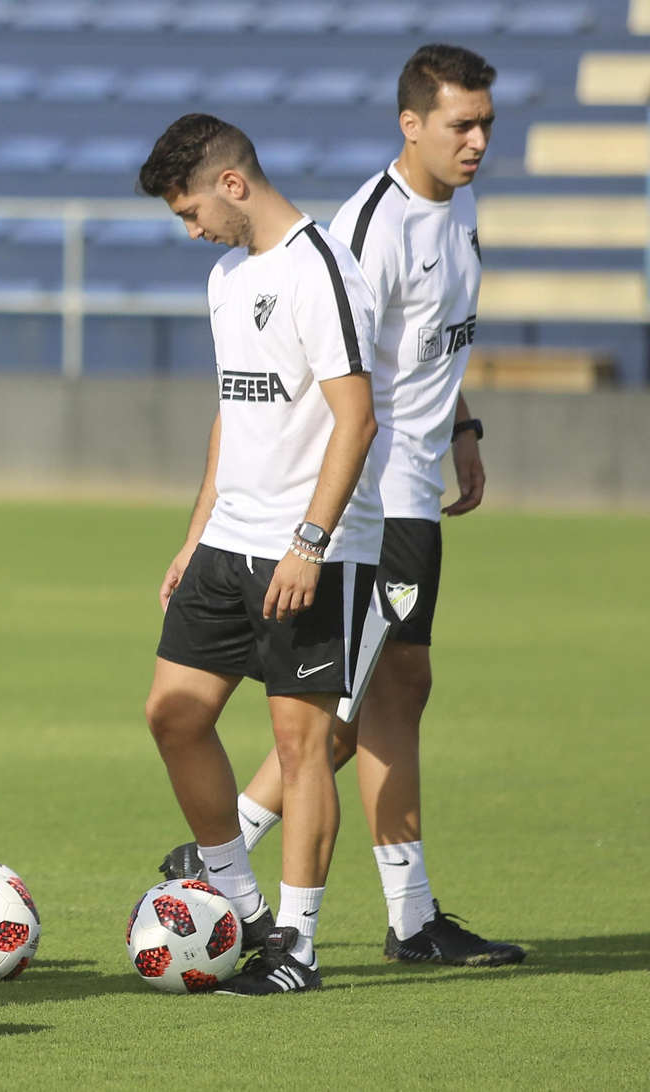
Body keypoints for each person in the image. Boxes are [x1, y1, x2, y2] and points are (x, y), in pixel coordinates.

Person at [161, 45, 525, 969]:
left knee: (382, 693)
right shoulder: (365, 230)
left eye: (486, 122)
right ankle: (339, 893)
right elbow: (338, 380)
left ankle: (383, 911)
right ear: (412, 124)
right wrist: (309, 530)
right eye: (462, 124)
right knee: (356, 703)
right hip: (373, 498)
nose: (479, 141)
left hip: (404, 490)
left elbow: (424, 344)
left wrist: (463, 426)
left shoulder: (459, 207)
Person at [137, 114, 384, 994]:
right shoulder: (226, 276)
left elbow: (356, 419)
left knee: (301, 742)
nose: (192, 230)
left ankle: (298, 949)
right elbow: (233, 411)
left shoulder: (323, 271)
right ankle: (241, 908)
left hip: (308, 550)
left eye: (192, 212)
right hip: (227, 542)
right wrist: (195, 533)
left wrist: (309, 542)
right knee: (173, 715)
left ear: (232, 184)